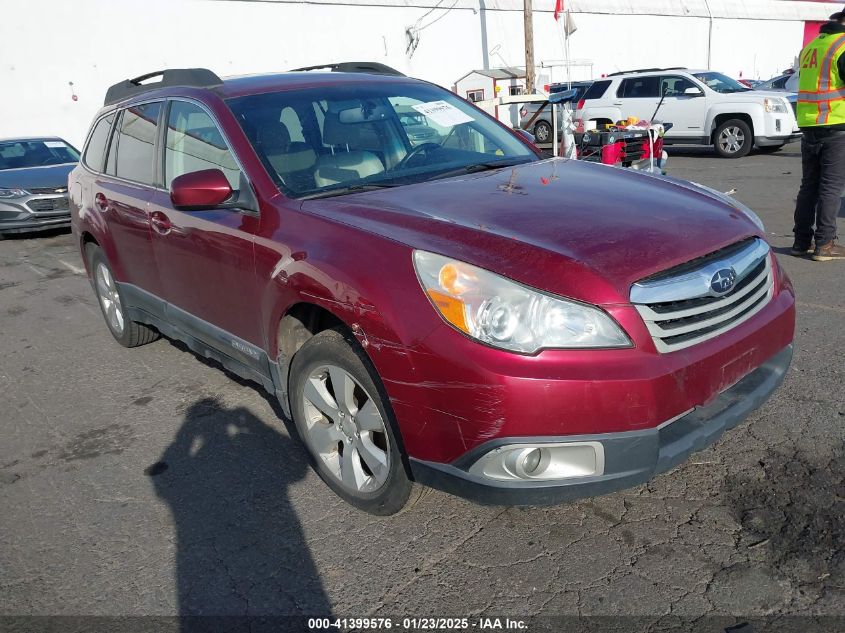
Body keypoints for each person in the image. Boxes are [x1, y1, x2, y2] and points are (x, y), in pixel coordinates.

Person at [793, 11, 845, 261]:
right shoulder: (842, 46)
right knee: (830, 187)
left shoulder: (811, 46)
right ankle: (824, 244)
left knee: (809, 186)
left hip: (808, 124)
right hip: (836, 123)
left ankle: (801, 241)